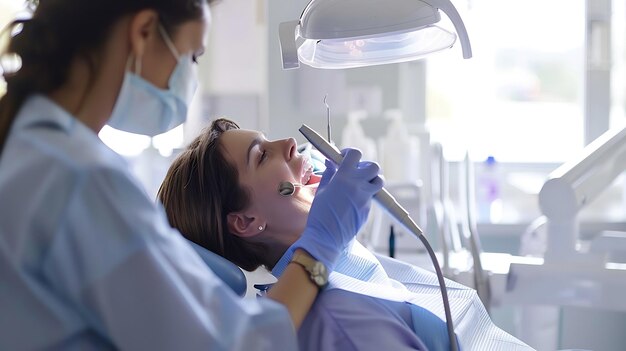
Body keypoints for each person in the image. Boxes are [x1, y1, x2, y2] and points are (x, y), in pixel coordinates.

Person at [0, 1, 383, 349]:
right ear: (145, 31)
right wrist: (319, 246)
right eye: (193, 56)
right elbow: (232, 345)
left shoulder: (32, 152)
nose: (190, 75)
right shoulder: (81, 180)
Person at [158, 117, 536, 351]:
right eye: (261, 156)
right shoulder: (335, 317)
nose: (289, 144)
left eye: (270, 139)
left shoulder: (348, 274)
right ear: (245, 221)